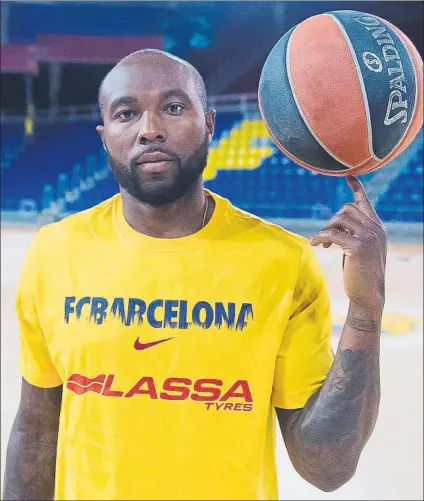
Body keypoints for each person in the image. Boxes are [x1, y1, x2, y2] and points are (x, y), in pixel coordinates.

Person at [3, 49, 387, 501]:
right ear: (105, 137)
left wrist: (364, 311)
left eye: (173, 107)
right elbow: (36, 429)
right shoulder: (55, 252)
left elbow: (327, 468)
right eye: (127, 114)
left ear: (208, 122)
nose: (150, 129)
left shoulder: (281, 261)